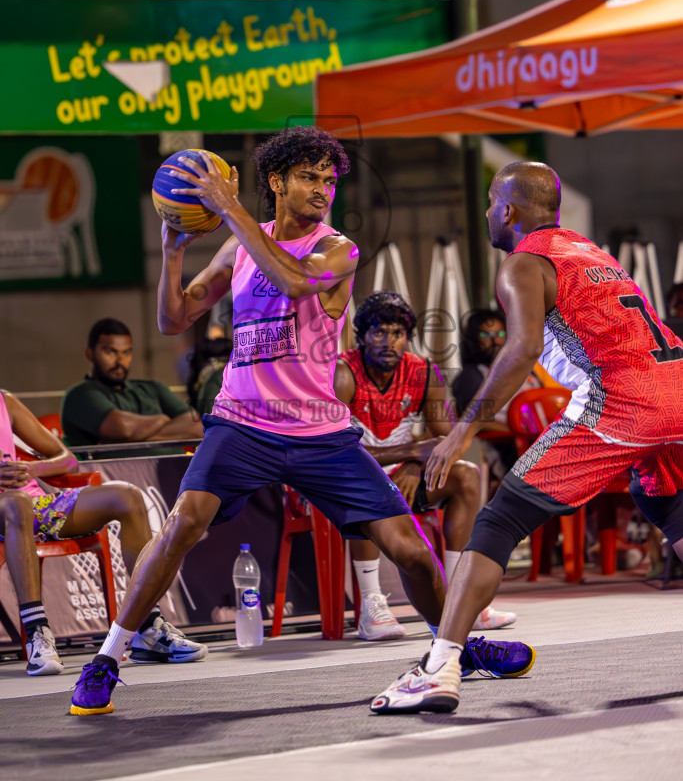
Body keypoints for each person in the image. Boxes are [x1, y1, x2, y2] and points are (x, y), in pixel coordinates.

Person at [69, 126, 524, 715]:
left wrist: (228, 209)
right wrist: (174, 248)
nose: (323, 189)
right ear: (277, 182)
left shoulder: (339, 249)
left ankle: (460, 649)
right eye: (310, 177)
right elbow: (174, 318)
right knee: (183, 523)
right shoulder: (239, 243)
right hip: (241, 423)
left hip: (320, 432)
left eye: (330, 179)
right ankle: (106, 660)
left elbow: (290, 278)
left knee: (410, 549)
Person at [372, 161, 683, 714]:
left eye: (492, 201)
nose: (489, 212)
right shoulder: (590, 252)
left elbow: (520, 351)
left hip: (624, 400)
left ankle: (440, 666)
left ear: (509, 210)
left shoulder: (522, 263)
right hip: (677, 385)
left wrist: (459, 432)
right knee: (664, 500)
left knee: (498, 521)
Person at [336, 291, 516, 640]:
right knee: (364, 483)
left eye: (397, 333)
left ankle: (458, 599)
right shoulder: (343, 373)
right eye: (379, 332)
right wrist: (412, 452)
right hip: (350, 475)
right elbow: (338, 450)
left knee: (465, 474)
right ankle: (371, 606)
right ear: (361, 336)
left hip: (401, 472)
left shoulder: (423, 372)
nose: (389, 341)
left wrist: (417, 465)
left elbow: (446, 442)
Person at [0, 388, 205, 675]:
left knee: (129, 496)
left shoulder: (5, 401)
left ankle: (147, 629)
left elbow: (66, 458)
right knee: (17, 504)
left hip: (37, 504)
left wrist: (31, 469)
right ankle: (37, 634)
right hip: (7, 508)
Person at [61, 318, 204, 456]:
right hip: (115, 478)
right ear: (90, 354)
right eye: (110, 352)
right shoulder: (80, 394)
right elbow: (122, 429)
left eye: (126, 352)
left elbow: (197, 427)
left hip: (177, 474)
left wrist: (128, 440)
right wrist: (161, 419)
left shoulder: (153, 388)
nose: (120, 361)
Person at [452, 309, 542, 486]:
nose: (495, 340)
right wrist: (517, 431)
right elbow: (471, 420)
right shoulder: (472, 376)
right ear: (474, 339)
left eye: (500, 333)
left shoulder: (523, 369)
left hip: (544, 438)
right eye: (487, 334)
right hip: (509, 447)